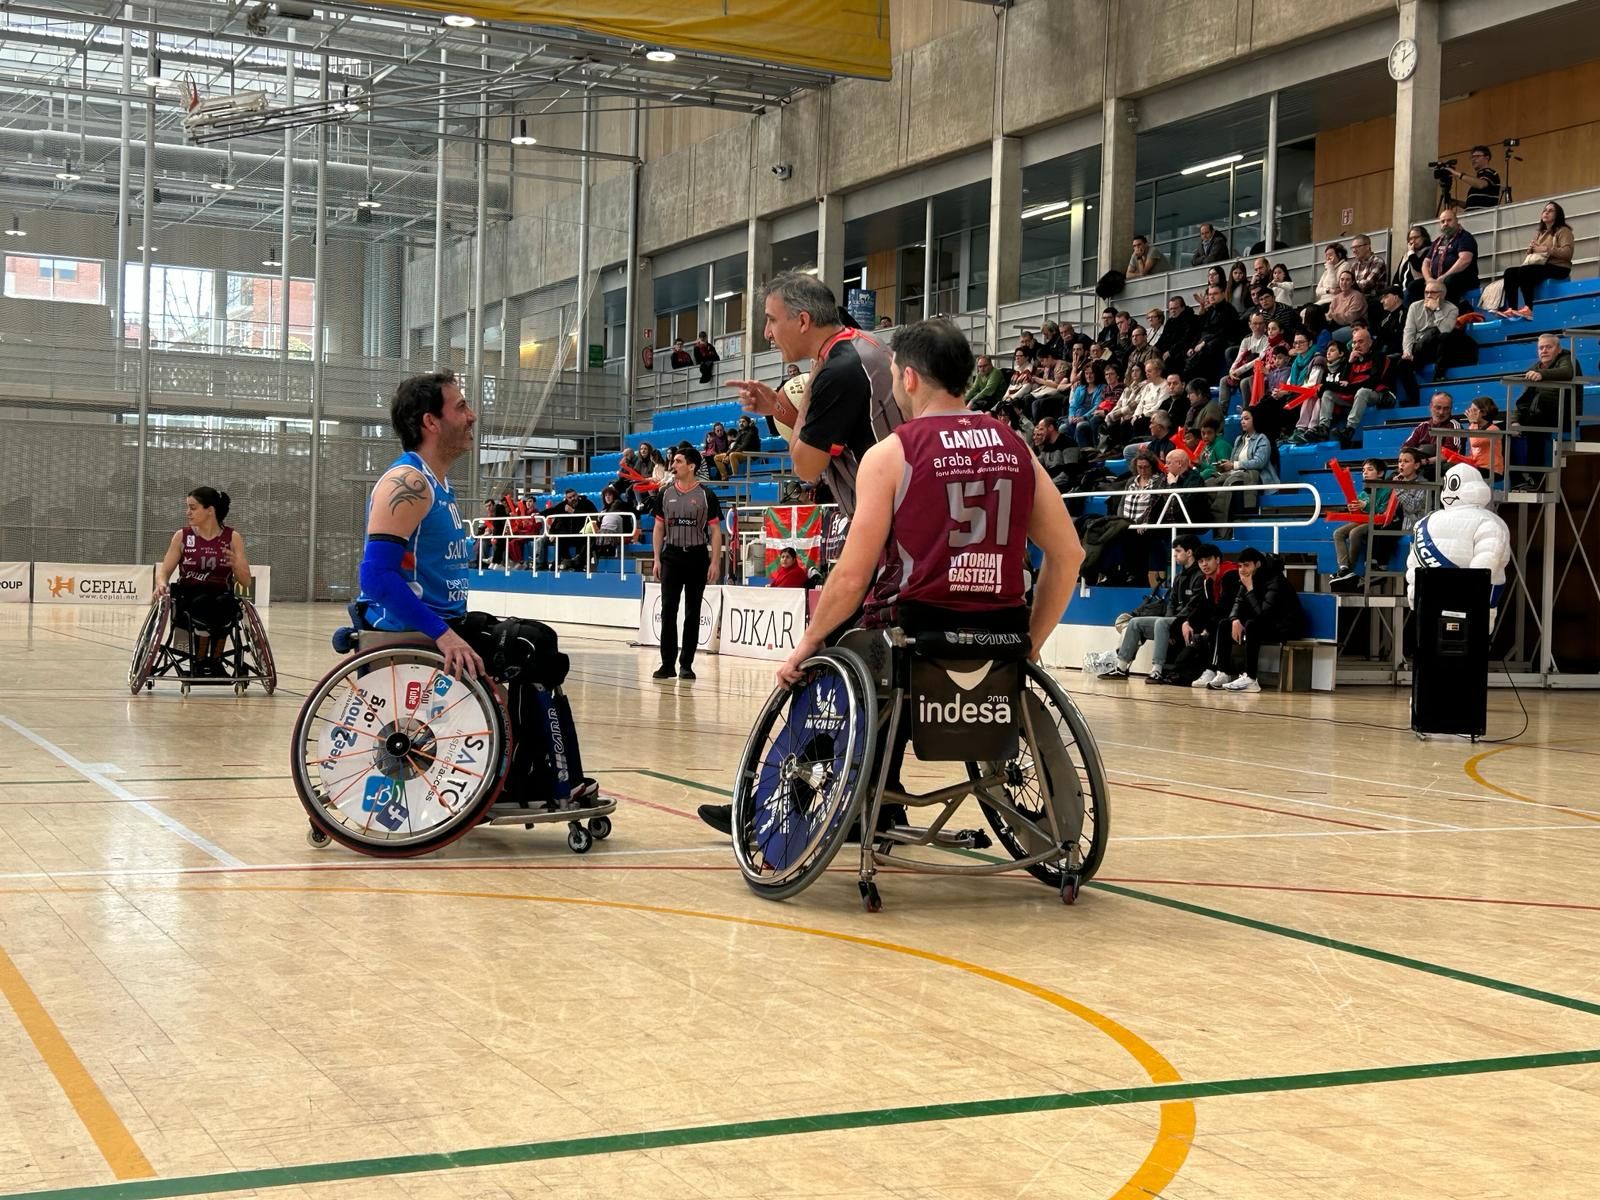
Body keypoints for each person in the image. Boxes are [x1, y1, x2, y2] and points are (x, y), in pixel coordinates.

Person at [773, 315, 1083, 691]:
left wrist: (807, 642)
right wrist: (1030, 645)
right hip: (1002, 629)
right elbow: (1069, 554)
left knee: (816, 678)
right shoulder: (1015, 444)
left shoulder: (890, 454)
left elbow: (853, 577)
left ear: (909, 378)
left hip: (914, 629)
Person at [355, 370, 594, 811]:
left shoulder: (438, 483)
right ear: (431, 422)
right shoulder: (406, 484)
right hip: (412, 632)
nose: (472, 415)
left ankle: (533, 773)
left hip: (441, 623)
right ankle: (536, 778)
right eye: (461, 407)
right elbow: (375, 578)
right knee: (529, 644)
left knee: (538, 642)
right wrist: (444, 635)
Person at [725, 271, 899, 517]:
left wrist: (809, 388)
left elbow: (806, 469)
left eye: (772, 320)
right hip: (900, 506)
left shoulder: (837, 371)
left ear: (803, 321)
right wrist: (778, 407)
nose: (767, 333)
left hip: (891, 521)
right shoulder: (867, 343)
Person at [155, 486, 252, 675]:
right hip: (190, 596)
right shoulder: (182, 536)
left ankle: (215, 659)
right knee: (203, 604)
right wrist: (161, 584)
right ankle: (200, 659)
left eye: (193, 508)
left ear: (210, 510)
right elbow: (164, 571)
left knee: (226, 605)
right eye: (187, 507)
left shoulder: (232, 537)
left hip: (221, 594)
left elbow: (246, 582)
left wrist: (236, 564)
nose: (188, 512)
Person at [650, 446, 723, 682]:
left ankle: (686, 665)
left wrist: (714, 562)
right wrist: (657, 558)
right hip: (671, 556)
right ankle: (667, 664)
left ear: (691, 466)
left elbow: (715, 531)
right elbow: (659, 527)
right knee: (668, 610)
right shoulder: (665, 493)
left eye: (678, 461)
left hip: (697, 556)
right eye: (673, 461)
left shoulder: (706, 495)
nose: (673, 465)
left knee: (692, 612)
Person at [1095, 534, 1208, 683]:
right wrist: (1170, 619)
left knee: (1161, 623)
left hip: (1187, 622)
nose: (1174, 554)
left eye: (1178, 551)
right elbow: (1171, 603)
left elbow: (1194, 606)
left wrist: (1172, 623)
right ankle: (1122, 667)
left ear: (1189, 552)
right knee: (1135, 622)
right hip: (1173, 621)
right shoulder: (1179, 577)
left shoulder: (1200, 576)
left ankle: (1157, 670)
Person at [1209, 547, 1302, 692]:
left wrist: (1250, 589)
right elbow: (1237, 603)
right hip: (1264, 623)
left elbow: (1264, 615)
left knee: (1252, 625)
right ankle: (1223, 673)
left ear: (1257, 564)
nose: (1242, 570)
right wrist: (1234, 619)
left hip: (1285, 626)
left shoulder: (1275, 581)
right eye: (1239, 566)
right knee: (1225, 624)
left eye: (1246, 565)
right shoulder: (1247, 579)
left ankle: (1251, 678)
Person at [1496, 201, 1574, 320]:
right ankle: (1512, 308)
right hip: (1541, 266)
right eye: (1545, 210)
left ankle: (1530, 308)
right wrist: (1531, 250)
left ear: (1558, 215)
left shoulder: (1564, 231)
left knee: (1525, 271)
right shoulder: (1539, 233)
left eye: (1550, 210)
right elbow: (1536, 254)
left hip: (1559, 268)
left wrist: (1545, 249)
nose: (1546, 212)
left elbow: (1567, 254)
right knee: (1509, 272)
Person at [1330, 459, 1392, 586]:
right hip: (1362, 520)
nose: (1365, 473)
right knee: (1338, 533)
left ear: (1380, 473)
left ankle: (1349, 570)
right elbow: (1358, 512)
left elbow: (1382, 512)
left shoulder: (1387, 490)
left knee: (1355, 533)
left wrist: (1366, 505)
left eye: (1370, 469)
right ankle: (1344, 568)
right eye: (1363, 470)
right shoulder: (1364, 492)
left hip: (1377, 522)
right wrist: (1352, 508)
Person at [1423, 206, 1479, 306]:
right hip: (1437, 279)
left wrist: (1444, 276)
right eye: (1442, 221)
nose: (1445, 224)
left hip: (1462, 280)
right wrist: (1429, 279)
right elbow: (1426, 262)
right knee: (1414, 286)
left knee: (1449, 281)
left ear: (1456, 221)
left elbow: (1465, 260)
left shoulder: (1464, 237)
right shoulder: (1438, 241)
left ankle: (1448, 315)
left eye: (1449, 220)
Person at [1451, 145, 1502, 210]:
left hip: (1484, 217)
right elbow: (1474, 206)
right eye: (1472, 157)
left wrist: (1457, 174)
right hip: (1476, 217)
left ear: (1487, 157)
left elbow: (1481, 185)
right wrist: (1457, 203)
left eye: (1477, 156)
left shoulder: (1491, 173)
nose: (1474, 159)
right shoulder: (1478, 179)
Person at [1392, 224, 1431, 309]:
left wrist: (1411, 253)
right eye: (1410, 239)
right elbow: (1397, 276)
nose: (1413, 241)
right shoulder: (1406, 255)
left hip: (1417, 288)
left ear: (1424, 237)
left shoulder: (1428, 251)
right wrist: (1394, 289)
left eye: (1416, 237)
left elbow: (1418, 267)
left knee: (1410, 289)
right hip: (1402, 290)